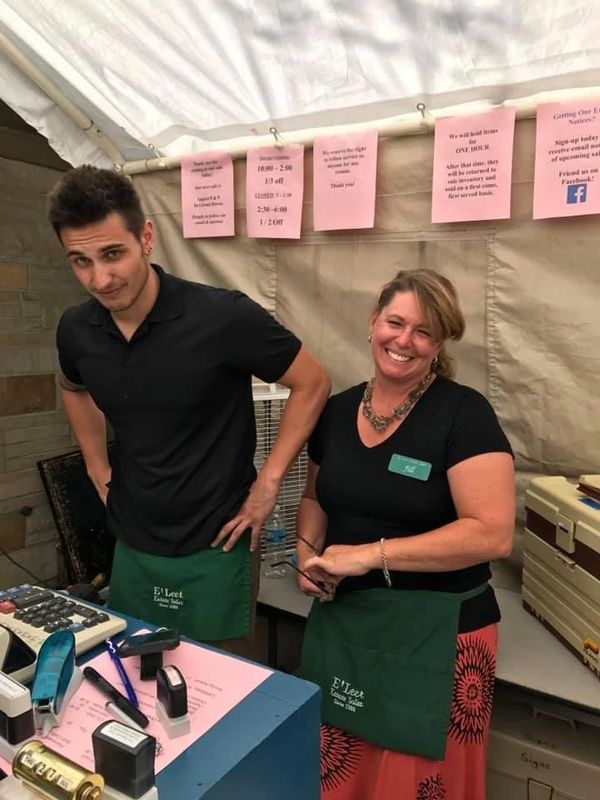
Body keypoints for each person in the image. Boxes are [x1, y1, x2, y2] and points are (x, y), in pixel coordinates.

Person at [48, 165, 330, 653]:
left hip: (220, 537)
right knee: (138, 670)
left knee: (221, 693)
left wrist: (269, 482)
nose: (101, 278)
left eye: (113, 253)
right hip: (134, 537)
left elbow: (312, 381)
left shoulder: (222, 317)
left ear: (147, 237)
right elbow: (74, 388)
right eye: (81, 261)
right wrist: (97, 464)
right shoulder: (77, 330)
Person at [297, 269, 514, 800]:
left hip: (437, 634)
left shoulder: (464, 415)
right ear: (373, 322)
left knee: (414, 781)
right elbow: (312, 499)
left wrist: (369, 555)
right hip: (349, 625)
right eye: (396, 322)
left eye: (424, 331)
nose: (404, 340)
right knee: (343, 771)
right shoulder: (337, 410)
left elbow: (492, 535)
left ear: (438, 345)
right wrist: (307, 552)